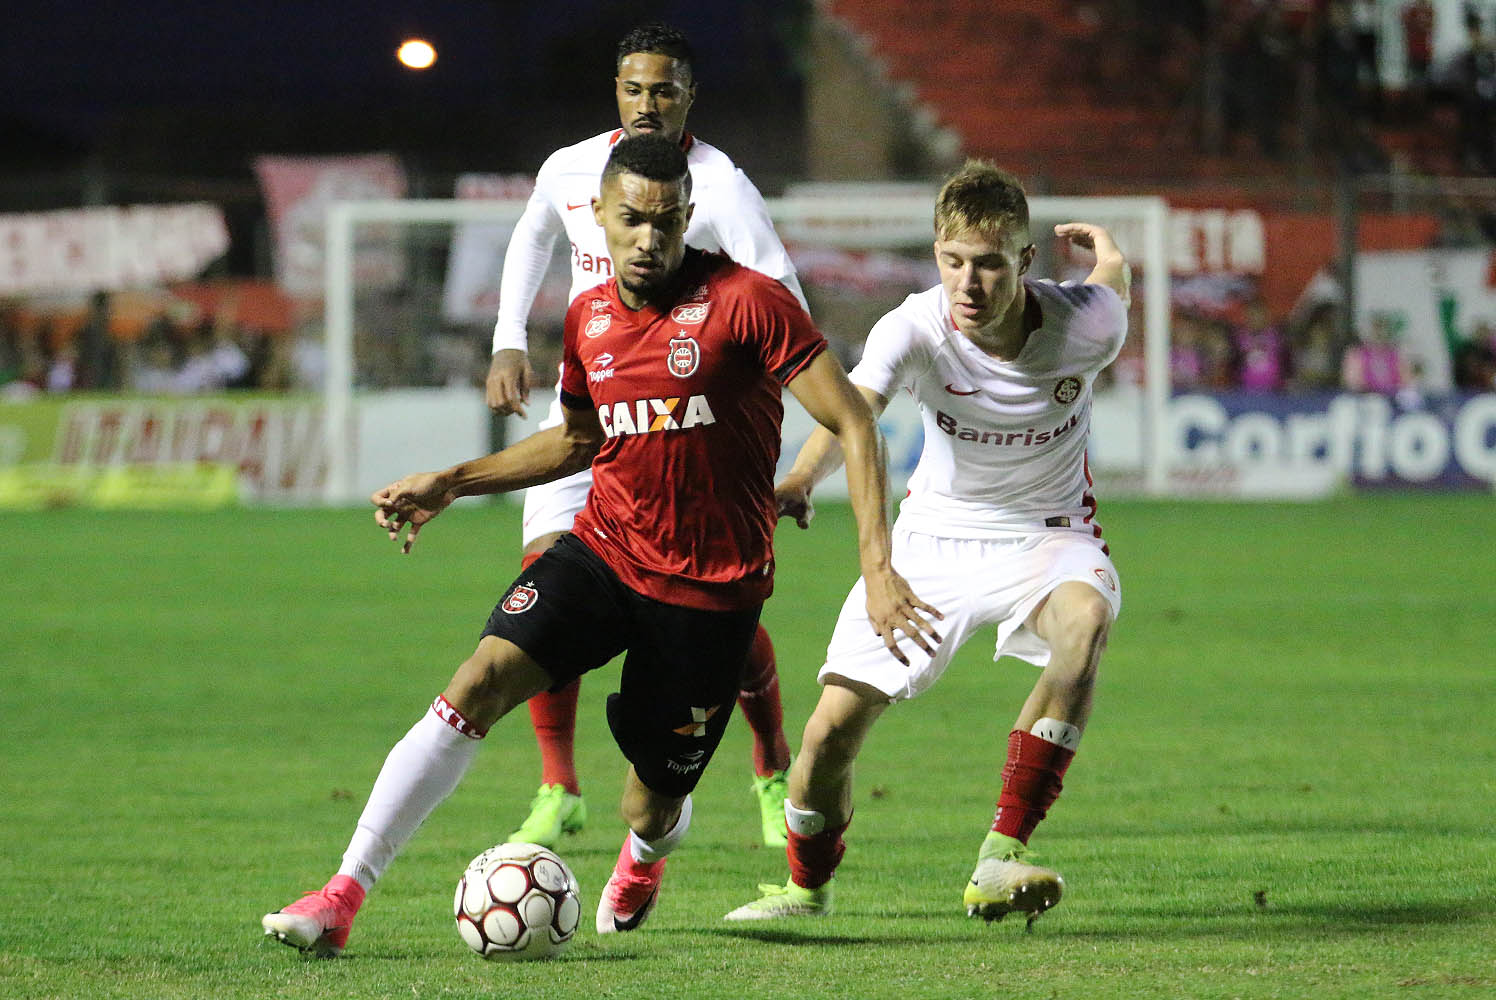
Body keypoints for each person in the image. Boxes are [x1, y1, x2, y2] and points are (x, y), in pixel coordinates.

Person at [260, 134, 939, 956]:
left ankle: (646, 854)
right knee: (477, 681)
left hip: (709, 595)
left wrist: (876, 569)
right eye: (630, 220)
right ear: (597, 219)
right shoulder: (587, 317)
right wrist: (455, 480)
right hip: (606, 553)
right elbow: (579, 441)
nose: (648, 238)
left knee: (647, 807)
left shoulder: (749, 303)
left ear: (688, 216)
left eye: (666, 221)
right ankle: (342, 895)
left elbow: (854, 420)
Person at [723, 161, 1129, 928]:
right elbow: (851, 413)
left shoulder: (1086, 325)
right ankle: (807, 889)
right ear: (937, 255)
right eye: (953, 262)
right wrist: (803, 479)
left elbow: (1114, 285)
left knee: (1085, 624)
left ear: (1025, 263)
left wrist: (1110, 251)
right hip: (934, 542)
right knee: (829, 735)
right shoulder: (913, 327)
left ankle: (1000, 852)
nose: (969, 283)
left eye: (989, 264)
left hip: (1050, 536)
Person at [485, 22, 807, 850]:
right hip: (590, 408)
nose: (647, 105)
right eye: (634, 89)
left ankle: (770, 766)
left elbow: (780, 297)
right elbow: (531, 235)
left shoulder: (720, 185)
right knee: (544, 579)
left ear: (689, 96)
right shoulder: (570, 168)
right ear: (615, 92)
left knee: (711, 615)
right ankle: (560, 787)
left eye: (664, 90)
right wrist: (508, 339)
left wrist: (745, 419)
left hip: (681, 428)